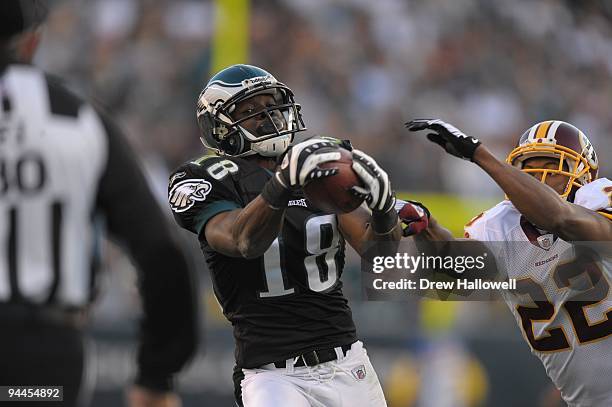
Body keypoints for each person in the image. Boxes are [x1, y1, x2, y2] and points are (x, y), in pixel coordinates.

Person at [168, 64, 403, 407]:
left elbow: (381, 257)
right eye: (250, 111)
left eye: (271, 104)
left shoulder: (316, 167)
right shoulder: (208, 177)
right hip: (272, 376)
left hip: (347, 362)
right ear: (221, 127)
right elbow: (242, 240)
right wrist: (282, 184)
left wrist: (384, 210)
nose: (268, 116)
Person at [0, 2, 198, 406]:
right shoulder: (77, 120)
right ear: (33, 42)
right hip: (37, 360)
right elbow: (162, 252)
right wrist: (156, 375)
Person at [405, 119, 612, 407]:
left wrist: (479, 154)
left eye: (552, 167)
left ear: (583, 174)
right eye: (527, 168)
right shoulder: (499, 226)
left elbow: (561, 219)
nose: (538, 177)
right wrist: (425, 225)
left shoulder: (598, 203)